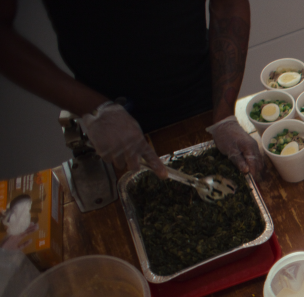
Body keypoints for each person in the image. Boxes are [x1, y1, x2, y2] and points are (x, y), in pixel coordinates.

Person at [0, 0, 263, 180]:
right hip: (106, 120)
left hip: (199, 100)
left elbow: (227, 3)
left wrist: (225, 116)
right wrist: (93, 108)